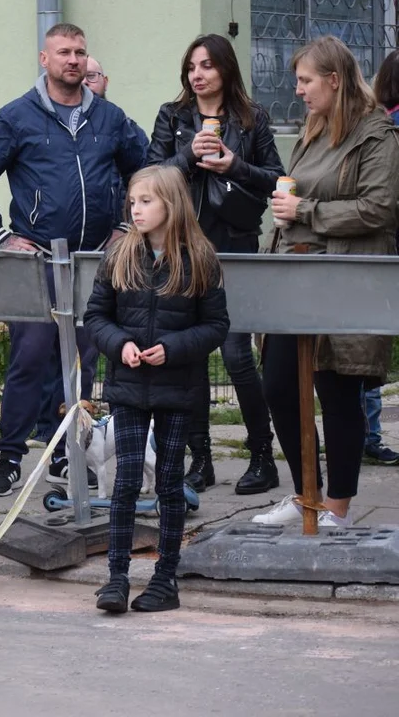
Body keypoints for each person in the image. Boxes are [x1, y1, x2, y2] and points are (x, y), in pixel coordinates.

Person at [0, 23, 146, 497]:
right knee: (30, 357)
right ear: (45, 59)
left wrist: (127, 228)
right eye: (64, 52)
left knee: (82, 362)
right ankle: (9, 457)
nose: (74, 60)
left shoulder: (109, 118)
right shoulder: (17, 116)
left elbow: (144, 170)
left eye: (81, 52)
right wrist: (0, 235)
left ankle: (71, 456)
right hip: (38, 262)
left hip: (91, 264)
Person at [255, 36, 399, 527]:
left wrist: (306, 211)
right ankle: (305, 493)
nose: (298, 90)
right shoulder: (313, 128)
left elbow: (379, 210)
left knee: (336, 390)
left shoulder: (376, 134)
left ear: (334, 81)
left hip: (341, 277)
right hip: (294, 279)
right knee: (277, 386)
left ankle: (336, 507)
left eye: (306, 80)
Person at [84, 165, 229, 613]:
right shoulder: (119, 254)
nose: (137, 209)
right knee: (126, 479)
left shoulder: (199, 257)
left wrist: (173, 348)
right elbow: (96, 317)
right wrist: (120, 343)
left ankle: (166, 580)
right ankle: (116, 579)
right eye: (133, 202)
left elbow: (216, 326)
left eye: (146, 201)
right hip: (127, 387)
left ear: (171, 203)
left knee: (168, 483)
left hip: (178, 389)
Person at [147, 34, 285, 495]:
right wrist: (189, 155)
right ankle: (199, 459)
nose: (197, 75)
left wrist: (232, 166)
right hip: (187, 246)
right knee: (191, 357)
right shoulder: (173, 115)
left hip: (237, 246)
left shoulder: (252, 118)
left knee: (235, 353)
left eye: (206, 65)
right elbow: (151, 175)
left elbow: (276, 179)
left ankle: (262, 455)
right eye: (191, 67)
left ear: (225, 69)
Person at [363, 50, 399, 466]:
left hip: (374, 251)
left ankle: (367, 433)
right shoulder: (386, 129)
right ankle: (368, 434)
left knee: (365, 340)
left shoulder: (374, 125)